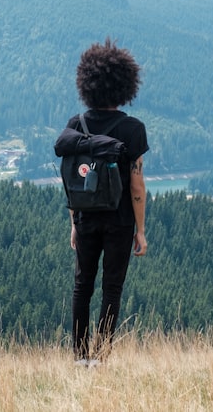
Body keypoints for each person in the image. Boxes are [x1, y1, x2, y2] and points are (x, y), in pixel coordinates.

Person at [67, 38, 149, 366]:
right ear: (124, 86)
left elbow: (74, 179)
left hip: (85, 216)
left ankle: (78, 357)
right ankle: (101, 358)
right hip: (119, 220)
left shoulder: (77, 126)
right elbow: (137, 183)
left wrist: (74, 223)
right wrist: (140, 230)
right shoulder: (132, 129)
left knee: (82, 285)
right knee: (111, 288)